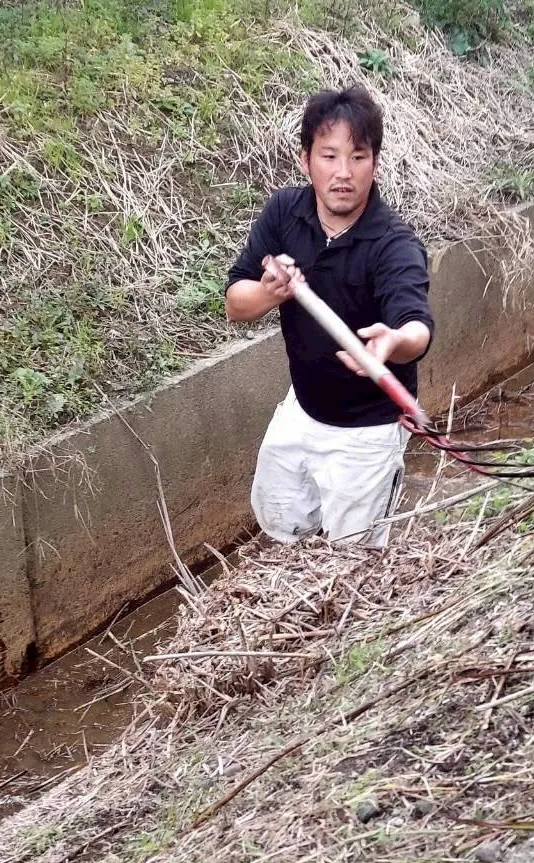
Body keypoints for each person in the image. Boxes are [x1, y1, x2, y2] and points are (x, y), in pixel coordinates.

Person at [225, 85, 434, 548]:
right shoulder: (285, 212)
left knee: (352, 558)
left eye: (358, 157)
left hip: (369, 429)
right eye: (329, 156)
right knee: (279, 524)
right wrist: (267, 292)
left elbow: (417, 326)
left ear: (374, 164)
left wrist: (391, 344)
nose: (343, 173)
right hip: (304, 408)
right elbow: (235, 303)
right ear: (306, 160)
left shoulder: (393, 244)